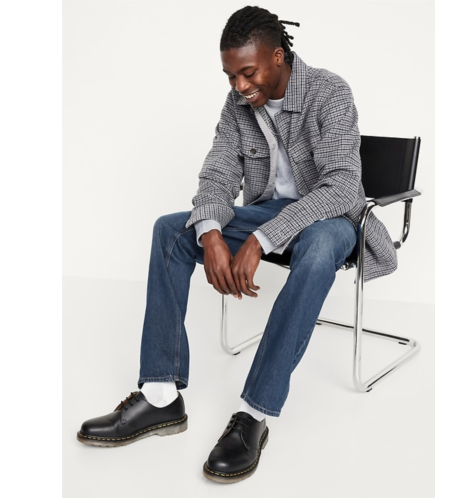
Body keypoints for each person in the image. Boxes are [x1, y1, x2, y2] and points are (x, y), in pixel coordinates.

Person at [76, 5, 397, 484]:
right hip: (269, 212)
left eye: (248, 73)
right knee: (170, 230)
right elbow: (217, 174)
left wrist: (261, 240)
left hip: (332, 219)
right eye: (230, 76)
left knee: (315, 251)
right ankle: (161, 396)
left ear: (278, 56)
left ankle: (254, 414)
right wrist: (210, 233)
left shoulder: (329, 91)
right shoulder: (237, 106)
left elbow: (342, 187)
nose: (240, 86)